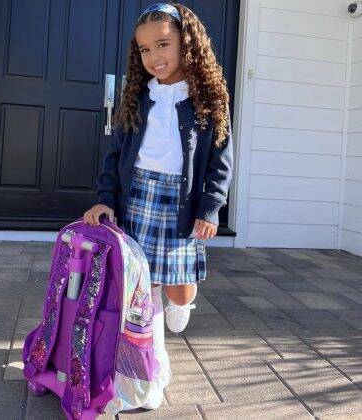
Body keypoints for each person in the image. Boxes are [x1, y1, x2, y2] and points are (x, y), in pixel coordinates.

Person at [84, 2, 233, 410]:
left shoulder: (208, 99)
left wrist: (210, 208)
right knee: (140, 293)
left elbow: (221, 161)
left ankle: (180, 303)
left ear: (189, 43)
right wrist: (106, 200)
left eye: (163, 45)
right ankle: (151, 370)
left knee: (178, 291)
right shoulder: (138, 97)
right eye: (145, 50)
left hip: (182, 206)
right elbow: (114, 156)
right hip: (138, 201)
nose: (154, 57)